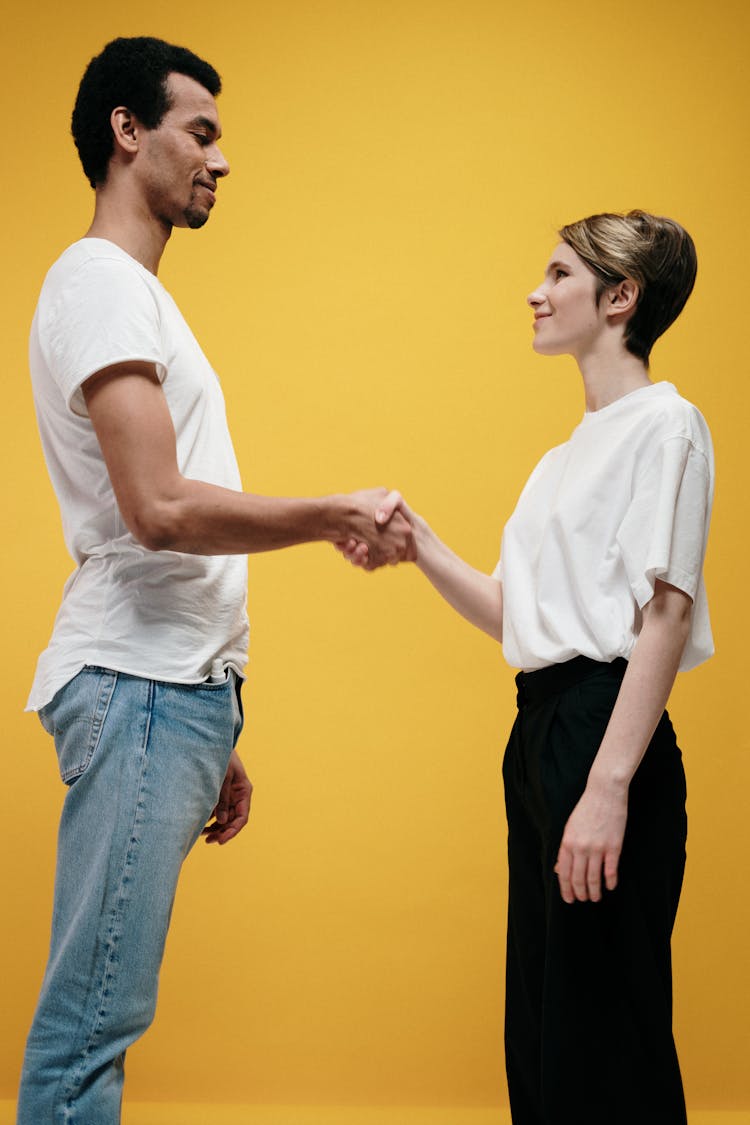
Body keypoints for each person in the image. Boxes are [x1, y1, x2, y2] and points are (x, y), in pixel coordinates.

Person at [20, 36, 413, 1124]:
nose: (219, 160)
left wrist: (209, 714)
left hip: (166, 693)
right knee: (90, 1028)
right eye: (201, 131)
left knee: (101, 1014)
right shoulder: (100, 283)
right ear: (126, 131)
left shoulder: (127, 295)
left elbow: (135, 520)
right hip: (141, 690)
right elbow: (158, 511)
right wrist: (331, 513)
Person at [342, 210, 713, 1124]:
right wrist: (418, 542)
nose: (534, 292)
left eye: (558, 274)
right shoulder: (558, 460)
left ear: (621, 297)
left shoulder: (668, 425)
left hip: (601, 730)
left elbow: (665, 610)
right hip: (541, 731)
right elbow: (519, 615)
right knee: (545, 1026)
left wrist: (610, 784)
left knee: (605, 1031)